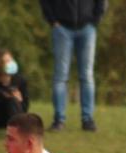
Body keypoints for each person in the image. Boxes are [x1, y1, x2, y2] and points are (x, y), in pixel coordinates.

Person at [40, 0, 107, 132]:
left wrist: (96, 20)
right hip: (62, 28)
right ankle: (59, 120)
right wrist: (53, 21)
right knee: (61, 76)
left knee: (87, 76)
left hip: (87, 28)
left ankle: (87, 120)